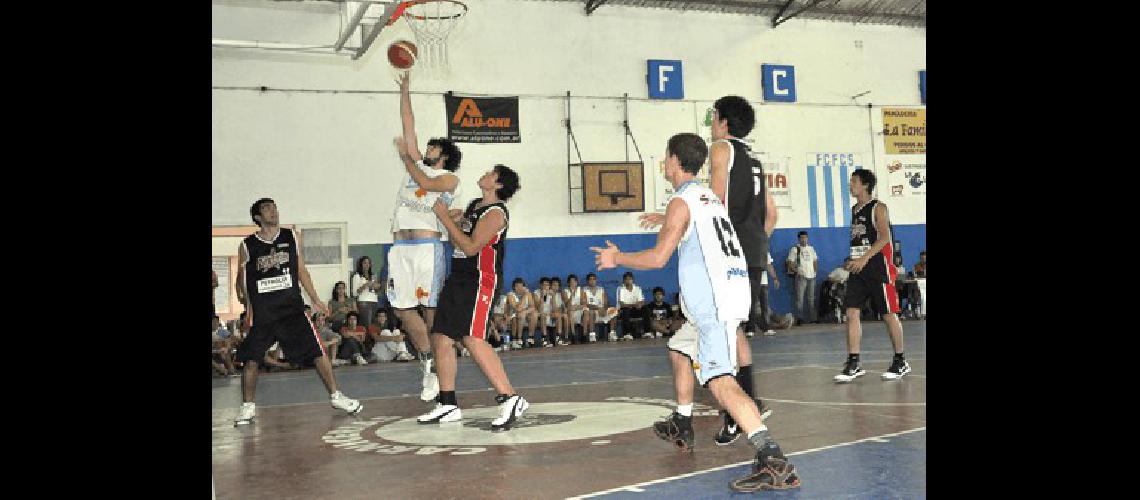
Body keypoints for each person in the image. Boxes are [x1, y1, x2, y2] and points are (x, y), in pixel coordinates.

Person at [595, 133, 799, 492]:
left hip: (715, 303)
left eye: (665, 156)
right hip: (729, 294)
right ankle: (682, 420)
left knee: (719, 380)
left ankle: (772, 457)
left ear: (674, 160)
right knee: (678, 348)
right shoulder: (709, 199)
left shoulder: (682, 201)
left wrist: (618, 258)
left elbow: (658, 258)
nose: (664, 161)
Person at [639, 96, 776, 447]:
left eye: (713, 117)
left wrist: (690, 222)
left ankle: (741, 411)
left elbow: (711, 202)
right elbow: (771, 215)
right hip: (754, 248)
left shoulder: (720, 149)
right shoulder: (756, 161)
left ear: (724, 123)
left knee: (724, 333)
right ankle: (739, 404)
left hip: (725, 250)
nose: (711, 124)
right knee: (728, 330)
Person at [401, 150, 528, 432]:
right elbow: (460, 240)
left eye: (492, 173)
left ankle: (511, 397)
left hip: (480, 280)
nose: (486, 174)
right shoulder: (475, 205)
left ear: (497, 184)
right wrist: (455, 221)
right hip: (459, 277)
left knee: (472, 337)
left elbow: (471, 247)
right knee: (441, 336)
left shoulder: (496, 213)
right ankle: (448, 403)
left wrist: (445, 218)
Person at [232, 198, 362, 426]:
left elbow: (301, 270)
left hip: (291, 309)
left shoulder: (291, 236)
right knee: (251, 359)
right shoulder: (247, 245)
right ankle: (247, 407)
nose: (273, 211)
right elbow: (240, 281)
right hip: (263, 313)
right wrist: (246, 306)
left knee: (318, 350)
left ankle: (336, 396)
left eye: (274, 207)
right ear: (257, 217)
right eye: (267, 208)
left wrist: (315, 299)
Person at [387, 73, 463, 402]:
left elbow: (427, 185)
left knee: (430, 309)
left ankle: (441, 362)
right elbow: (409, 124)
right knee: (403, 310)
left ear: (442, 154)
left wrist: (406, 156)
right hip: (399, 247)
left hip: (426, 249)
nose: (425, 148)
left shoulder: (448, 178)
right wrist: (405, 90)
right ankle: (429, 361)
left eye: (432, 146)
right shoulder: (415, 167)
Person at [834, 169, 911, 383]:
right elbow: (861, 241)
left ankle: (900, 360)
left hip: (878, 267)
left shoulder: (878, 207)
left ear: (865, 185)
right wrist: (852, 260)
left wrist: (864, 259)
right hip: (859, 268)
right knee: (851, 313)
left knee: (888, 314)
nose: (850, 185)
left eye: (854, 182)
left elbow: (885, 237)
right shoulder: (854, 209)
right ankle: (854, 361)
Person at [785, 231, 819, 324]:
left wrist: (815, 271)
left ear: (807, 238)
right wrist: (797, 272)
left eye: (805, 237)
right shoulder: (795, 249)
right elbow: (790, 262)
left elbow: (815, 260)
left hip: (812, 276)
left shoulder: (811, 248)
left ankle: (813, 318)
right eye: (802, 238)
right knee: (799, 299)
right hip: (801, 277)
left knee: (811, 298)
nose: (804, 239)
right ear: (799, 239)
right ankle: (799, 318)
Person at [351, 256, 382, 337]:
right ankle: (365, 344)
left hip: (374, 301)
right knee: (366, 324)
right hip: (364, 302)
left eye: (368, 263)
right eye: (365, 263)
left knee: (374, 324)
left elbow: (377, 290)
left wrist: (377, 286)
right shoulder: (357, 276)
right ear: (361, 264)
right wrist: (365, 285)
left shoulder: (373, 275)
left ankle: (373, 343)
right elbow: (355, 293)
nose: (367, 265)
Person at [583, 273, 618, 341]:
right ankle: (592, 335)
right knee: (591, 312)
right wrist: (598, 308)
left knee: (614, 310)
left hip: (601, 310)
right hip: (591, 310)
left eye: (594, 279)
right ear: (587, 281)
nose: (592, 281)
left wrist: (604, 309)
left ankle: (612, 333)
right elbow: (585, 304)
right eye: (590, 279)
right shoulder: (584, 290)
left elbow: (605, 303)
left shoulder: (601, 289)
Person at [506, 278, 539, 348]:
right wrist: (524, 296)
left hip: (525, 313)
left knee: (534, 314)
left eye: (521, 286)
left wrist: (525, 311)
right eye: (517, 286)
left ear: (524, 287)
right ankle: (519, 338)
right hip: (513, 314)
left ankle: (531, 337)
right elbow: (517, 309)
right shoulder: (510, 295)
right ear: (514, 287)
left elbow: (533, 307)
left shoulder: (528, 294)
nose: (519, 288)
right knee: (521, 315)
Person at [616, 271, 649, 340]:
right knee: (626, 310)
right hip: (623, 311)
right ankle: (627, 334)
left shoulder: (637, 288)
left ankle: (647, 332)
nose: (628, 281)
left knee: (645, 308)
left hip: (635, 310)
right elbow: (622, 304)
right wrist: (634, 304)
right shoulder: (620, 289)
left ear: (632, 280)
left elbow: (642, 301)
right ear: (624, 280)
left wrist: (640, 304)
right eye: (626, 279)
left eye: (630, 279)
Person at [562, 274, 593, 344]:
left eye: (574, 281)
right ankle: (573, 335)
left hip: (578, 309)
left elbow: (584, 303)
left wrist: (576, 307)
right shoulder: (565, 291)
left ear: (576, 282)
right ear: (568, 283)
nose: (573, 283)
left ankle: (584, 335)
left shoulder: (580, 290)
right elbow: (567, 305)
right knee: (570, 311)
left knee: (586, 311)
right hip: (569, 311)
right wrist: (571, 296)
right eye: (571, 282)